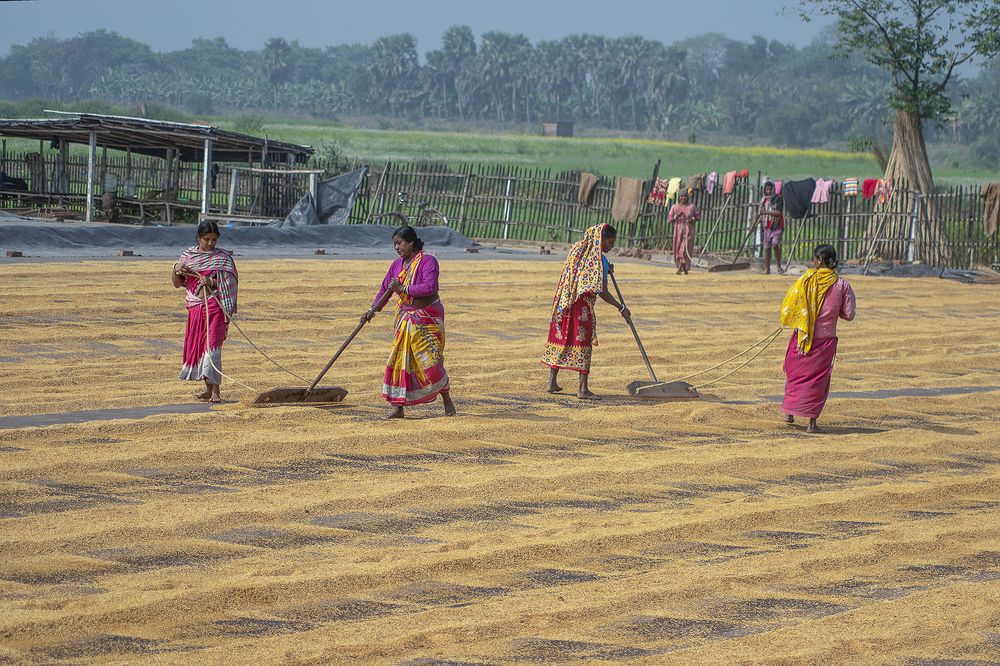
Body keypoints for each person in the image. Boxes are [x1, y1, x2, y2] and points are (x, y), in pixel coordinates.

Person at [362, 225, 455, 419]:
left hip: (427, 317)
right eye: (394, 244)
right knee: (399, 360)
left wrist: (403, 288)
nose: (397, 247)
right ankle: (398, 407)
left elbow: (430, 287)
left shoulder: (428, 261)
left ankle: (446, 398)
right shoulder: (396, 265)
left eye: (400, 243)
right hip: (405, 317)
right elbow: (385, 290)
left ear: (411, 242)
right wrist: (373, 310)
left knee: (430, 362)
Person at [541, 223, 631, 399]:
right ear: (601, 239)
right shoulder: (599, 260)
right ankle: (582, 389)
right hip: (581, 309)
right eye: (610, 243)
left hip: (564, 303)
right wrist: (621, 307)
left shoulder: (578, 249)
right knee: (583, 344)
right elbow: (602, 291)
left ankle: (552, 382)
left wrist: (606, 268)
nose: (611, 247)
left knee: (561, 340)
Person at [779, 244, 856, 433]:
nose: (813, 262)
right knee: (818, 380)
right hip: (825, 340)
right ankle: (811, 423)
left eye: (814, 259)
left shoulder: (806, 279)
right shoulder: (842, 285)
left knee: (795, 374)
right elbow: (849, 314)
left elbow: (791, 302)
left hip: (803, 337)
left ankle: (790, 412)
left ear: (820, 261)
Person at [172, 220, 238, 403]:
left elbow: (229, 283)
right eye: (206, 239)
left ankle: (216, 392)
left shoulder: (223, 259)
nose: (210, 243)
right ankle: (207, 390)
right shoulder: (187, 257)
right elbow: (178, 284)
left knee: (213, 348)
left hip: (216, 307)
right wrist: (175, 268)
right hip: (195, 308)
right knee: (201, 348)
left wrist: (211, 282)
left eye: (214, 240)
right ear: (198, 238)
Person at [668, 189, 700, 275]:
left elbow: (697, 217)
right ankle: (683, 268)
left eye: (685, 196)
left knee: (684, 250)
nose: (683, 198)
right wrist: (676, 217)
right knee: (677, 248)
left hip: (688, 231)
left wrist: (692, 219)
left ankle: (680, 268)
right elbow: (670, 219)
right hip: (678, 231)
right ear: (679, 197)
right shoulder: (674, 207)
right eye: (681, 196)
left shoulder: (692, 207)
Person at [759, 181, 785, 274]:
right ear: (765, 190)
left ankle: (778, 266)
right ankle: (767, 269)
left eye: (770, 189)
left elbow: (778, 213)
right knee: (767, 248)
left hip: (777, 226)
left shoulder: (778, 199)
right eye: (767, 190)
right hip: (767, 227)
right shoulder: (764, 200)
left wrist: (765, 212)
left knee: (775, 244)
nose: (769, 192)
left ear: (773, 189)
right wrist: (755, 225)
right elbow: (761, 215)